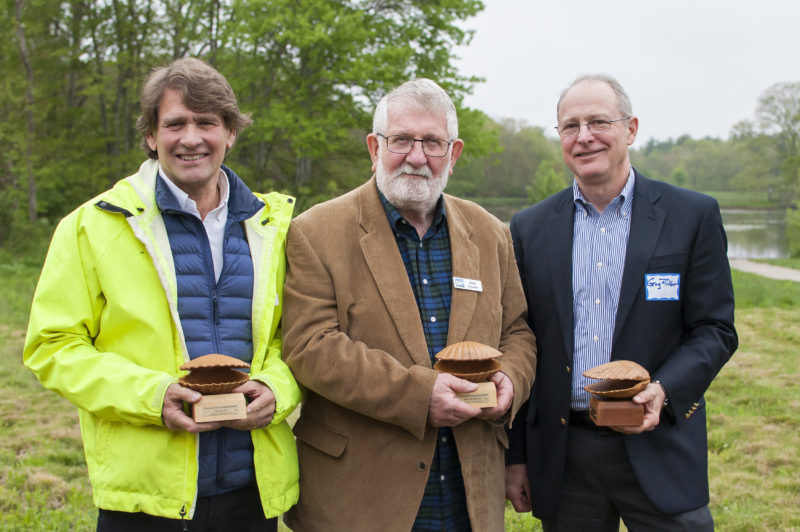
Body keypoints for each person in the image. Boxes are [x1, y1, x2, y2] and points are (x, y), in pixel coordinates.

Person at [23, 57, 301, 531]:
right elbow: (52, 346)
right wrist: (153, 396)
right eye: (175, 123)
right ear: (151, 136)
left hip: (249, 491)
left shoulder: (276, 229)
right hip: (143, 500)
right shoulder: (92, 226)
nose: (191, 138)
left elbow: (296, 339)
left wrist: (279, 388)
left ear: (230, 132)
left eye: (207, 123)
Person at [281, 78, 537, 531]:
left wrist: (510, 382)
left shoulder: (490, 231)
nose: (416, 157)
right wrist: (419, 396)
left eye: (432, 143)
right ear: (374, 147)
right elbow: (310, 346)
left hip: (467, 489)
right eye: (401, 140)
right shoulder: (316, 230)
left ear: (453, 154)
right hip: (360, 495)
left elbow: (516, 330)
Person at [505, 73, 738, 531]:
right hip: (566, 455)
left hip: (660, 443)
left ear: (630, 129)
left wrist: (664, 390)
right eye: (570, 126)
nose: (584, 136)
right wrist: (516, 457)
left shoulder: (692, 216)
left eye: (598, 122)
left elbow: (715, 330)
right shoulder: (529, 228)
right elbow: (520, 339)